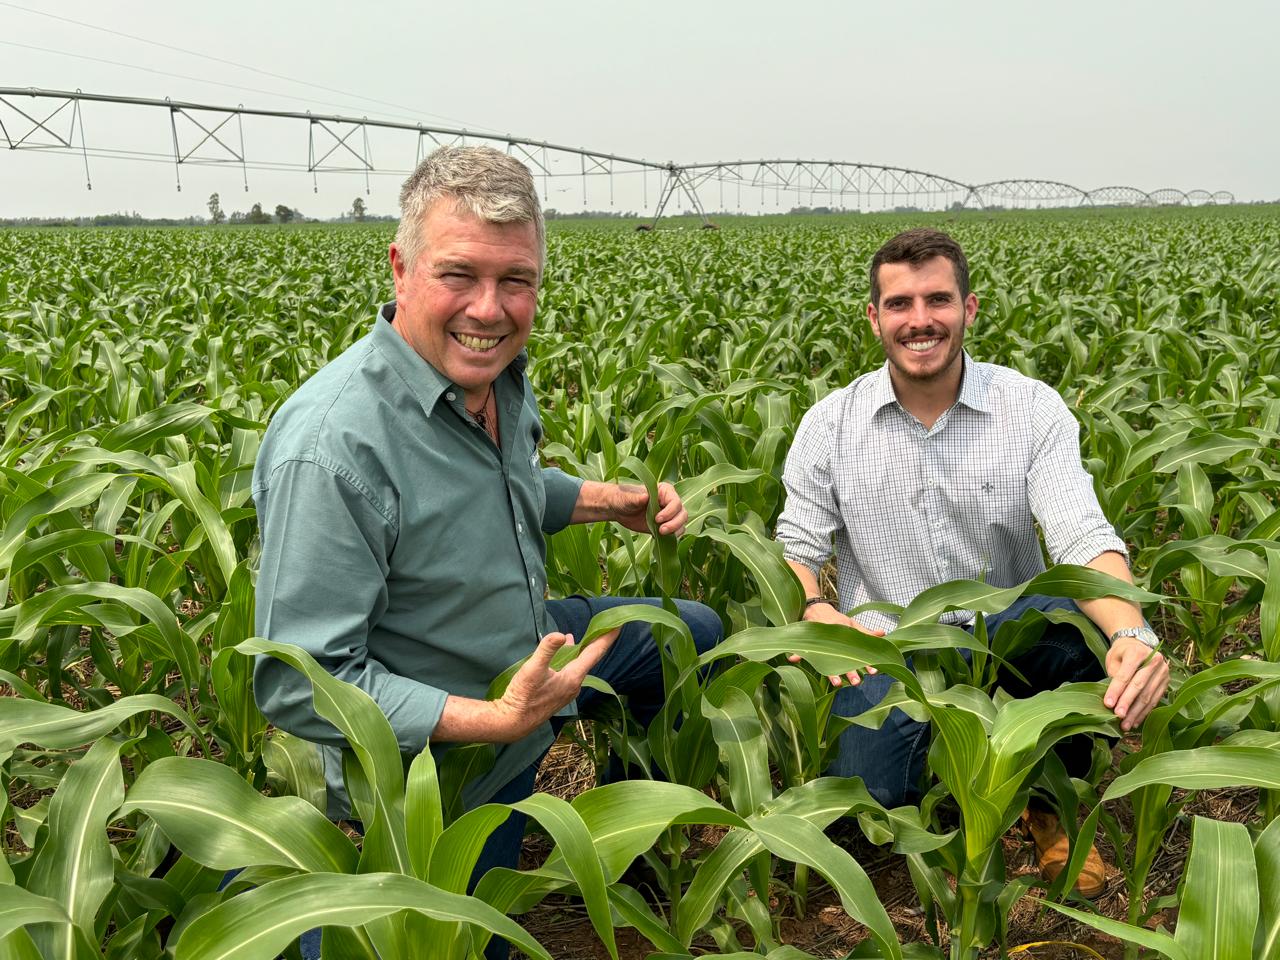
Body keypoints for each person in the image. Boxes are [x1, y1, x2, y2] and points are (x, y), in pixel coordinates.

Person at [251, 145, 722, 958]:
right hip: (439, 771)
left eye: (517, 282)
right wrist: (496, 721)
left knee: (688, 632)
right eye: (459, 276)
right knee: (464, 941)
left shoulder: (491, 377)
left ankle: (634, 839)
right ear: (400, 268)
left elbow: (494, 494)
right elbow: (303, 683)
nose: (491, 308)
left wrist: (608, 501)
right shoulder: (333, 446)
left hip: (527, 644)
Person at [775, 227, 1169, 897]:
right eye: (900, 304)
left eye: (938, 300)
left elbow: (1080, 533)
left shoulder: (1030, 410)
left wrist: (1132, 632)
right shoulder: (830, 424)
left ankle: (1051, 800)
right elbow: (796, 545)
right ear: (874, 318)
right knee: (872, 792)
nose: (920, 320)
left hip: (1006, 632)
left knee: (1086, 627)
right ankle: (951, 795)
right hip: (891, 645)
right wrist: (816, 610)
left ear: (970, 309)